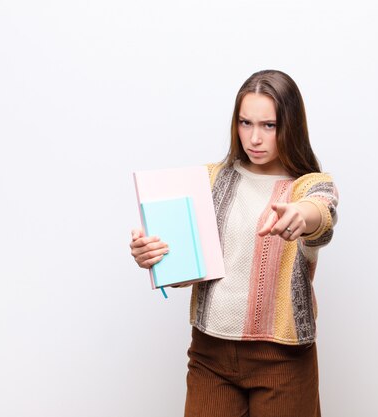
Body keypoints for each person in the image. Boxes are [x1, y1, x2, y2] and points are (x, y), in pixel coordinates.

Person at [129, 69, 338, 417]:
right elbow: (188, 269)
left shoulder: (309, 185)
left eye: (268, 125)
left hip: (283, 360)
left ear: (291, 126)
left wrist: (302, 216)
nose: (254, 138)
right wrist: (154, 256)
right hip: (210, 355)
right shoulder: (209, 180)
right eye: (245, 123)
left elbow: (322, 213)